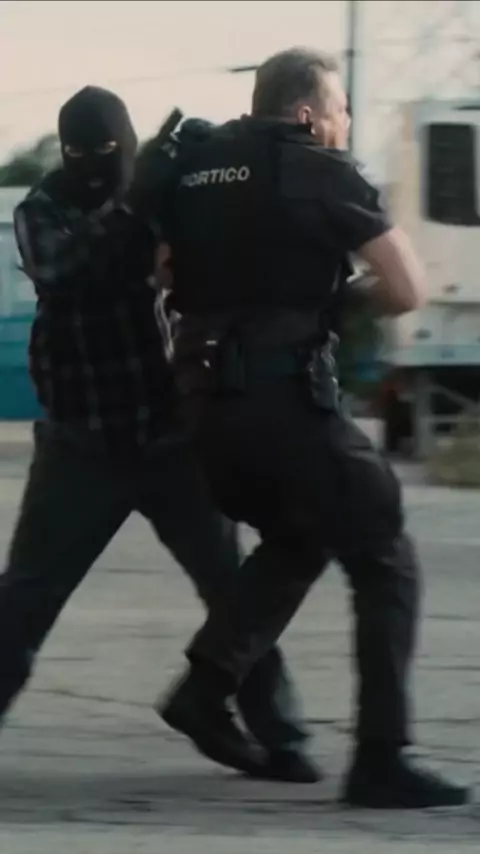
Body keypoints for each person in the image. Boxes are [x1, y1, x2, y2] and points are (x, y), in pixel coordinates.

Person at [154, 48, 469, 808]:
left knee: (300, 536)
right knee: (385, 551)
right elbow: (407, 289)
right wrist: (337, 299)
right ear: (306, 113)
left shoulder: (193, 167)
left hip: (204, 411)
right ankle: (382, 758)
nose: (345, 123)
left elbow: (164, 272)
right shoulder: (320, 170)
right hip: (284, 405)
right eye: (340, 110)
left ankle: (206, 688)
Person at [0, 85, 321, 785]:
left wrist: (209, 160)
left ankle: (279, 734)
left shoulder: (157, 195)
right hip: (82, 444)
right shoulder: (42, 210)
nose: (93, 165)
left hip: (172, 437)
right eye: (79, 152)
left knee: (232, 592)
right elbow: (70, 272)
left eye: (106, 152)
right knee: (24, 600)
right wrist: (140, 195)